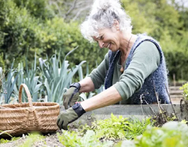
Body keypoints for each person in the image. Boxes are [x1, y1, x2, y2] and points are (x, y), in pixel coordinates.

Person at [57, 0, 170, 130]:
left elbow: (126, 85)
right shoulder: (115, 53)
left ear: (116, 25)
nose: (100, 45)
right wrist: (77, 87)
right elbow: (96, 78)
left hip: (155, 124)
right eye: (97, 41)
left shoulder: (147, 47)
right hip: (128, 122)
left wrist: (81, 107)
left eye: (101, 37)